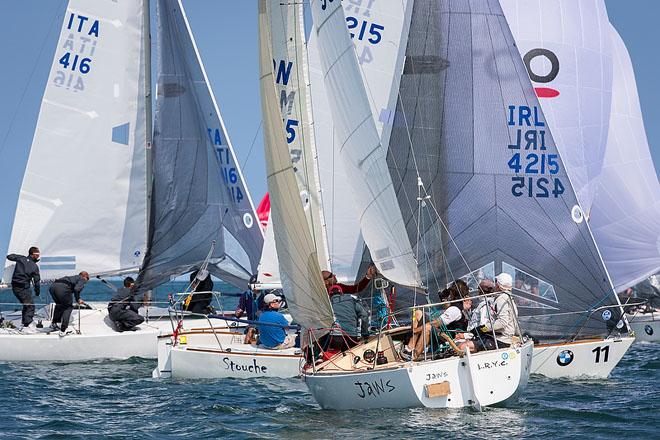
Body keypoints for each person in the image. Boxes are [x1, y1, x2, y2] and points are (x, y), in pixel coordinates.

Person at [402, 281, 473, 360]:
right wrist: (444, 298)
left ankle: (414, 356)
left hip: (448, 336)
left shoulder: (455, 309)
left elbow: (436, 323)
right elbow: (447, 307)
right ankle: (409, 349)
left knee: (428, 327)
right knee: (418, 313)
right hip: (443, 331)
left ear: (453, 293)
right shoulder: (456, 305)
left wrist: (415, 331)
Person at [460, 273, 518, 352]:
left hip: (501, 340)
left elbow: (502, 322)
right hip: (500, 337)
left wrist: (482, 329)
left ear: (498, 285)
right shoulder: (509, 298)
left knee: (462, 347)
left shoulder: (502, 299)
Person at [6, 247, 41, 332]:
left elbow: (9, 256)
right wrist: (37, 292)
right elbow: (37, 282)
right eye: (37, 255)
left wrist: (18, 257)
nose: (39, 257)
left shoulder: (21, 258)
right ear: (33, 254)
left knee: (27, 305)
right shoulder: (35, 267)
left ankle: (24, 323)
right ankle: (27, 325)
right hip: (24, 288)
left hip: (15, 287)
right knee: (30, 306)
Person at [328, 284, 370, 351]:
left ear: (329, 295)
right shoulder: (351, 299)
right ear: (341, 293)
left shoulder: (328, 304)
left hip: (335, 337)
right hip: (351, 336)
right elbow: (364, 315)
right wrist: (364, 333)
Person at [49, 271, 89, 336]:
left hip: (53, 287)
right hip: (62, 288)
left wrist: (77, 298)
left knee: (59, 305)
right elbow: (76, 289)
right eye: (87, 280)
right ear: (85, 277)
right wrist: (78, 299)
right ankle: (63, 330)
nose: (86, 282)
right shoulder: (82, 279)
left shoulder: (73, 277)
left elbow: (75, 288)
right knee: (68, 307)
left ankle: (54, 324)